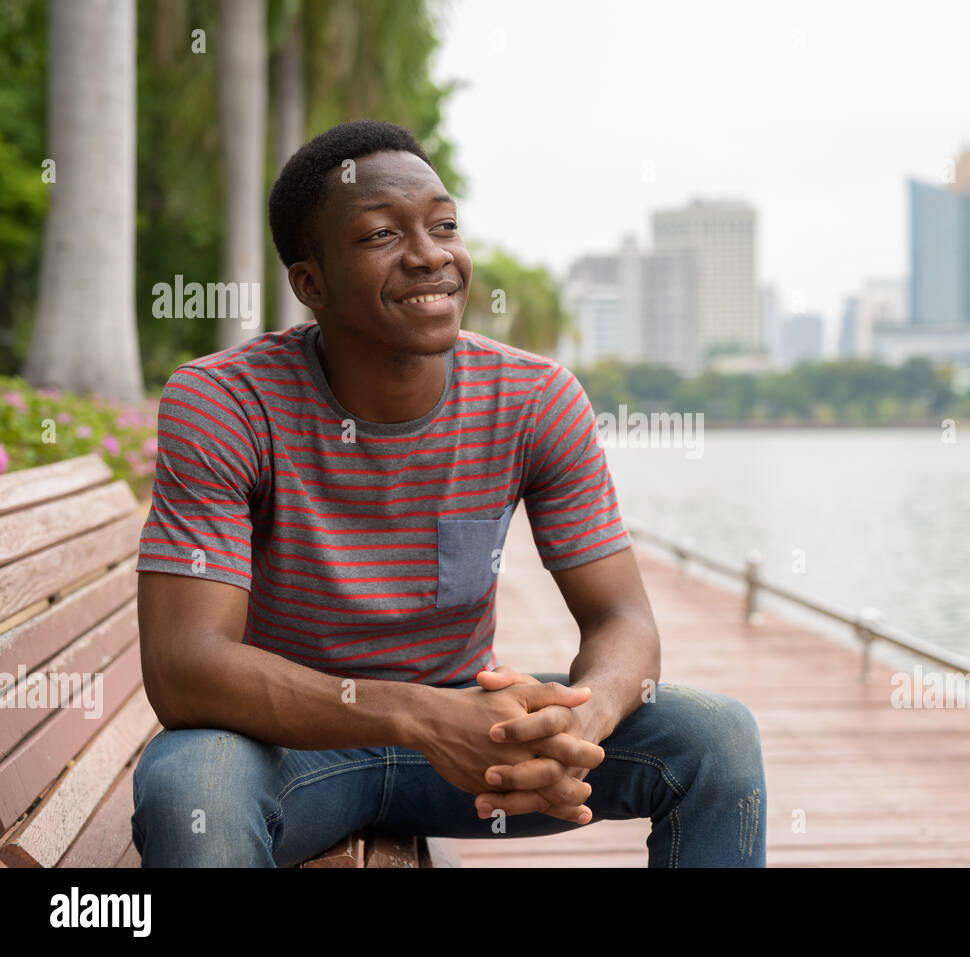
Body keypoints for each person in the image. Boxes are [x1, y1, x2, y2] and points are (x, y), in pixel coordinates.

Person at [130, 119, 766, 867]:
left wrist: (583, 719)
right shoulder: (225, 401)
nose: (430, 256)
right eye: (380, 236)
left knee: (716, 737)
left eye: (443, 226)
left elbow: (623, 617)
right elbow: (183, 668)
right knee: (190, 789)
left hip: (474, 745)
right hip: (287, 748)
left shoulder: (534, 398)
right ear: (311, 284)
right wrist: (422, 714)